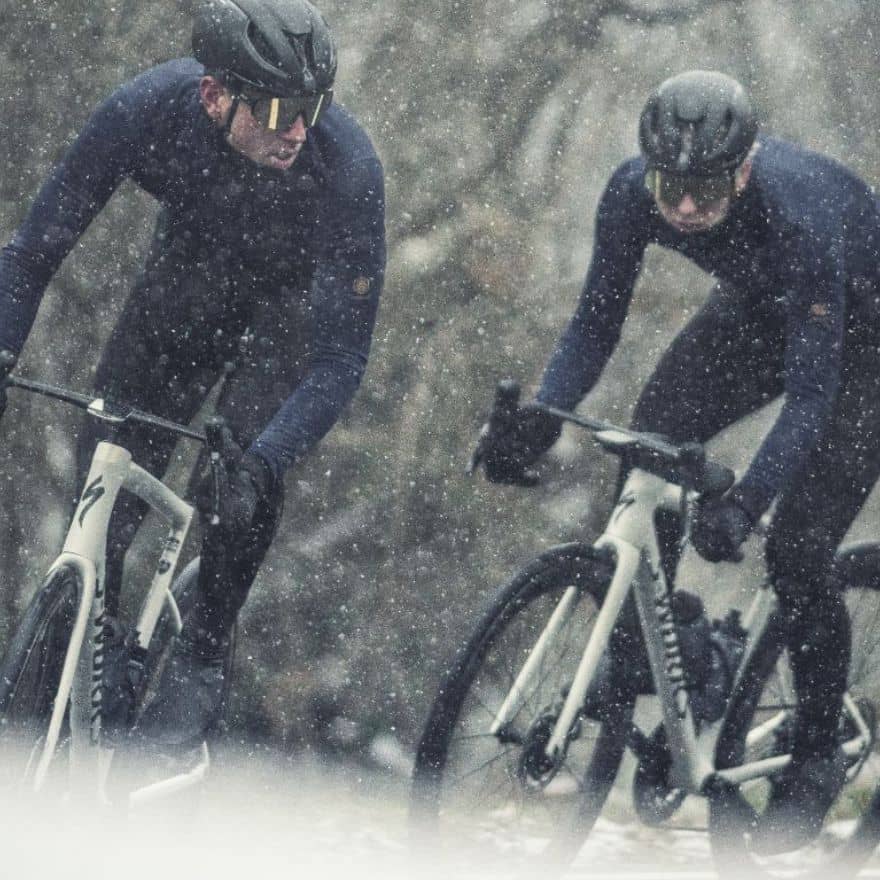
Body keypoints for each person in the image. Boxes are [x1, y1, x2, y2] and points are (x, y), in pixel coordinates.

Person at [473, 70, 880, 851]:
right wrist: (544, 418)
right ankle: (660, 643)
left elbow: (811, 398)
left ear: (744, 170)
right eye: (671, 188)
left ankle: (818, 751)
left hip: (862, 347)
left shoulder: (799, 218)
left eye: (706, 190)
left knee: (797, 549)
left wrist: (747, 503)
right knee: (650, 440)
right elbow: (595, 325)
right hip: (762, 309)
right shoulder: (632, 194)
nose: (686, 209)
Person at [0, 0, 385, 749]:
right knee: (101, 503)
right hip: (184, 295)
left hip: (285, 318)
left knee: (240, 479)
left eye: (313, 109)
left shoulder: (348, 168)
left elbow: (341, 361)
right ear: (214, 96)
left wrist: (264, 462)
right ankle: (84, 653)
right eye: (278, 110)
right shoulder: (145, 111)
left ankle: (203, 648)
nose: (298, 131)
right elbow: (30, 254)